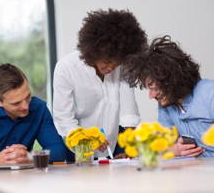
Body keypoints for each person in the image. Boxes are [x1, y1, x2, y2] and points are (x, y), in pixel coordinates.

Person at [122, 35, 214, 158]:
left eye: (154, 88)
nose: (151, 95)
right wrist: (174, 150)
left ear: (171, 80)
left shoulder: (213, 94)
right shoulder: (167, 106)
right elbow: (165, 144)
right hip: (213, 178)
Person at [53, 9, 147, 159]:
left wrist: (129, 151)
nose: (111, 68)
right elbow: (64, 119)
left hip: (113, 147)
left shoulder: (122, 67)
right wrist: (86, 141)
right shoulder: (66, 68)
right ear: (93, 51)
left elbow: (130, 113)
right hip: (78, 150)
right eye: (107, 61)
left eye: (116, 63)